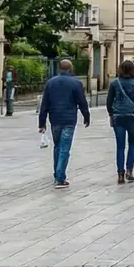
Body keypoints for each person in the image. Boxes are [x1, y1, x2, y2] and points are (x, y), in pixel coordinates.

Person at [38, 59, 91, 188]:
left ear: (59, 69)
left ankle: (57, 173)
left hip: (55, 119)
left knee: (57, 146)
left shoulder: (50, 83)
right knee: (65, 148)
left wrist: (42, 122)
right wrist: (86, 116)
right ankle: (60, 178)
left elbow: (44, 104)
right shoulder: (76, 83)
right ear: (71, 69)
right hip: (69, 119)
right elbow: (82, 102)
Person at [106, 60, 134, 184]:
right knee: (132, 144)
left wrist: (111, 114)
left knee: (120, 146)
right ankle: (129, 170)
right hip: (133, 117)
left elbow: (109, 102)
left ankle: (120, 173)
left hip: (118, 116)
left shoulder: (115, 83)